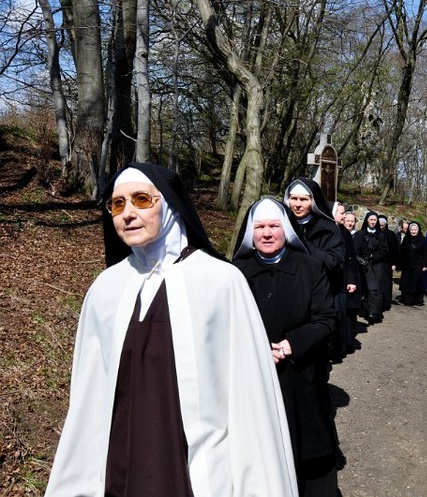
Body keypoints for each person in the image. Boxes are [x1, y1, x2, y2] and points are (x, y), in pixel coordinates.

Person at [45, 163, 297, 496]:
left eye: (140, 200)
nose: (127, 214)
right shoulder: (105, 290)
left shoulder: (221, 282)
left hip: (196, 474)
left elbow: (249, 399)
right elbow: (88, 400)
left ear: (169, 205)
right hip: (117, 472)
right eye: (117, 204)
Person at [233, 198, 339, 497]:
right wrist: (255, 349)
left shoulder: (310, 266)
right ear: (250, 234)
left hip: (300, 375)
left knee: (304, 452)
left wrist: (291, 345)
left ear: (287, 230)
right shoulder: (235, 272)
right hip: (252, 378)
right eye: (260, 227)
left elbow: (326, 319)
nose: (267, 233)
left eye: (274, 226)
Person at [332, 202, 361, 357]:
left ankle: (340, 346)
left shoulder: (344, 233)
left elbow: (349, 258)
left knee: (341, 314)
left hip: (342, 280)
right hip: (330, 279)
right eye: (341, 213)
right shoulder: (329, 229)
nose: (344, 217)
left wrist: (351, 280)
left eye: (345, 214)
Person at [353, 211, 388, 323]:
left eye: (374, 220)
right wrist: (362, 259)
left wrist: (374, 256)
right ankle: (363, 310)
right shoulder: (360, 234)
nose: (373, 222)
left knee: (375, 290)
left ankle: (373, 312)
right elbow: (355, 250)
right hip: (364, 265)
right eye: (371, 220)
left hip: (377, 266)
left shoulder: (381, 235)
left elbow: (384, 251)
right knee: (364, 289)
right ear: (367, 220)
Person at [397, 222, 427, 306]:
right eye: (412, 230)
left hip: (418, 265)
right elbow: (401, 252)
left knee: (417, 283)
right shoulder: (406, 239)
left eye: (415, 230)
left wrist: (425, 265)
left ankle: (418, 299)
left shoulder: (423, 239)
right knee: (407, 282)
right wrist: (399, 264)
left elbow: (426, 253)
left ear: (418, 230)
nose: (413, 231)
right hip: (407, 265)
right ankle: (407, 299)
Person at [378, 215, 399, 311]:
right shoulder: (376, 233)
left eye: (383, 225)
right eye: (380, 225)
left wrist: (395, 263)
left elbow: (395, 250)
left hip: (388, 263)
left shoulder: (391, 234)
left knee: (387, 284)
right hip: (378, 263)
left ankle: (386, 303)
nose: (381, 227)